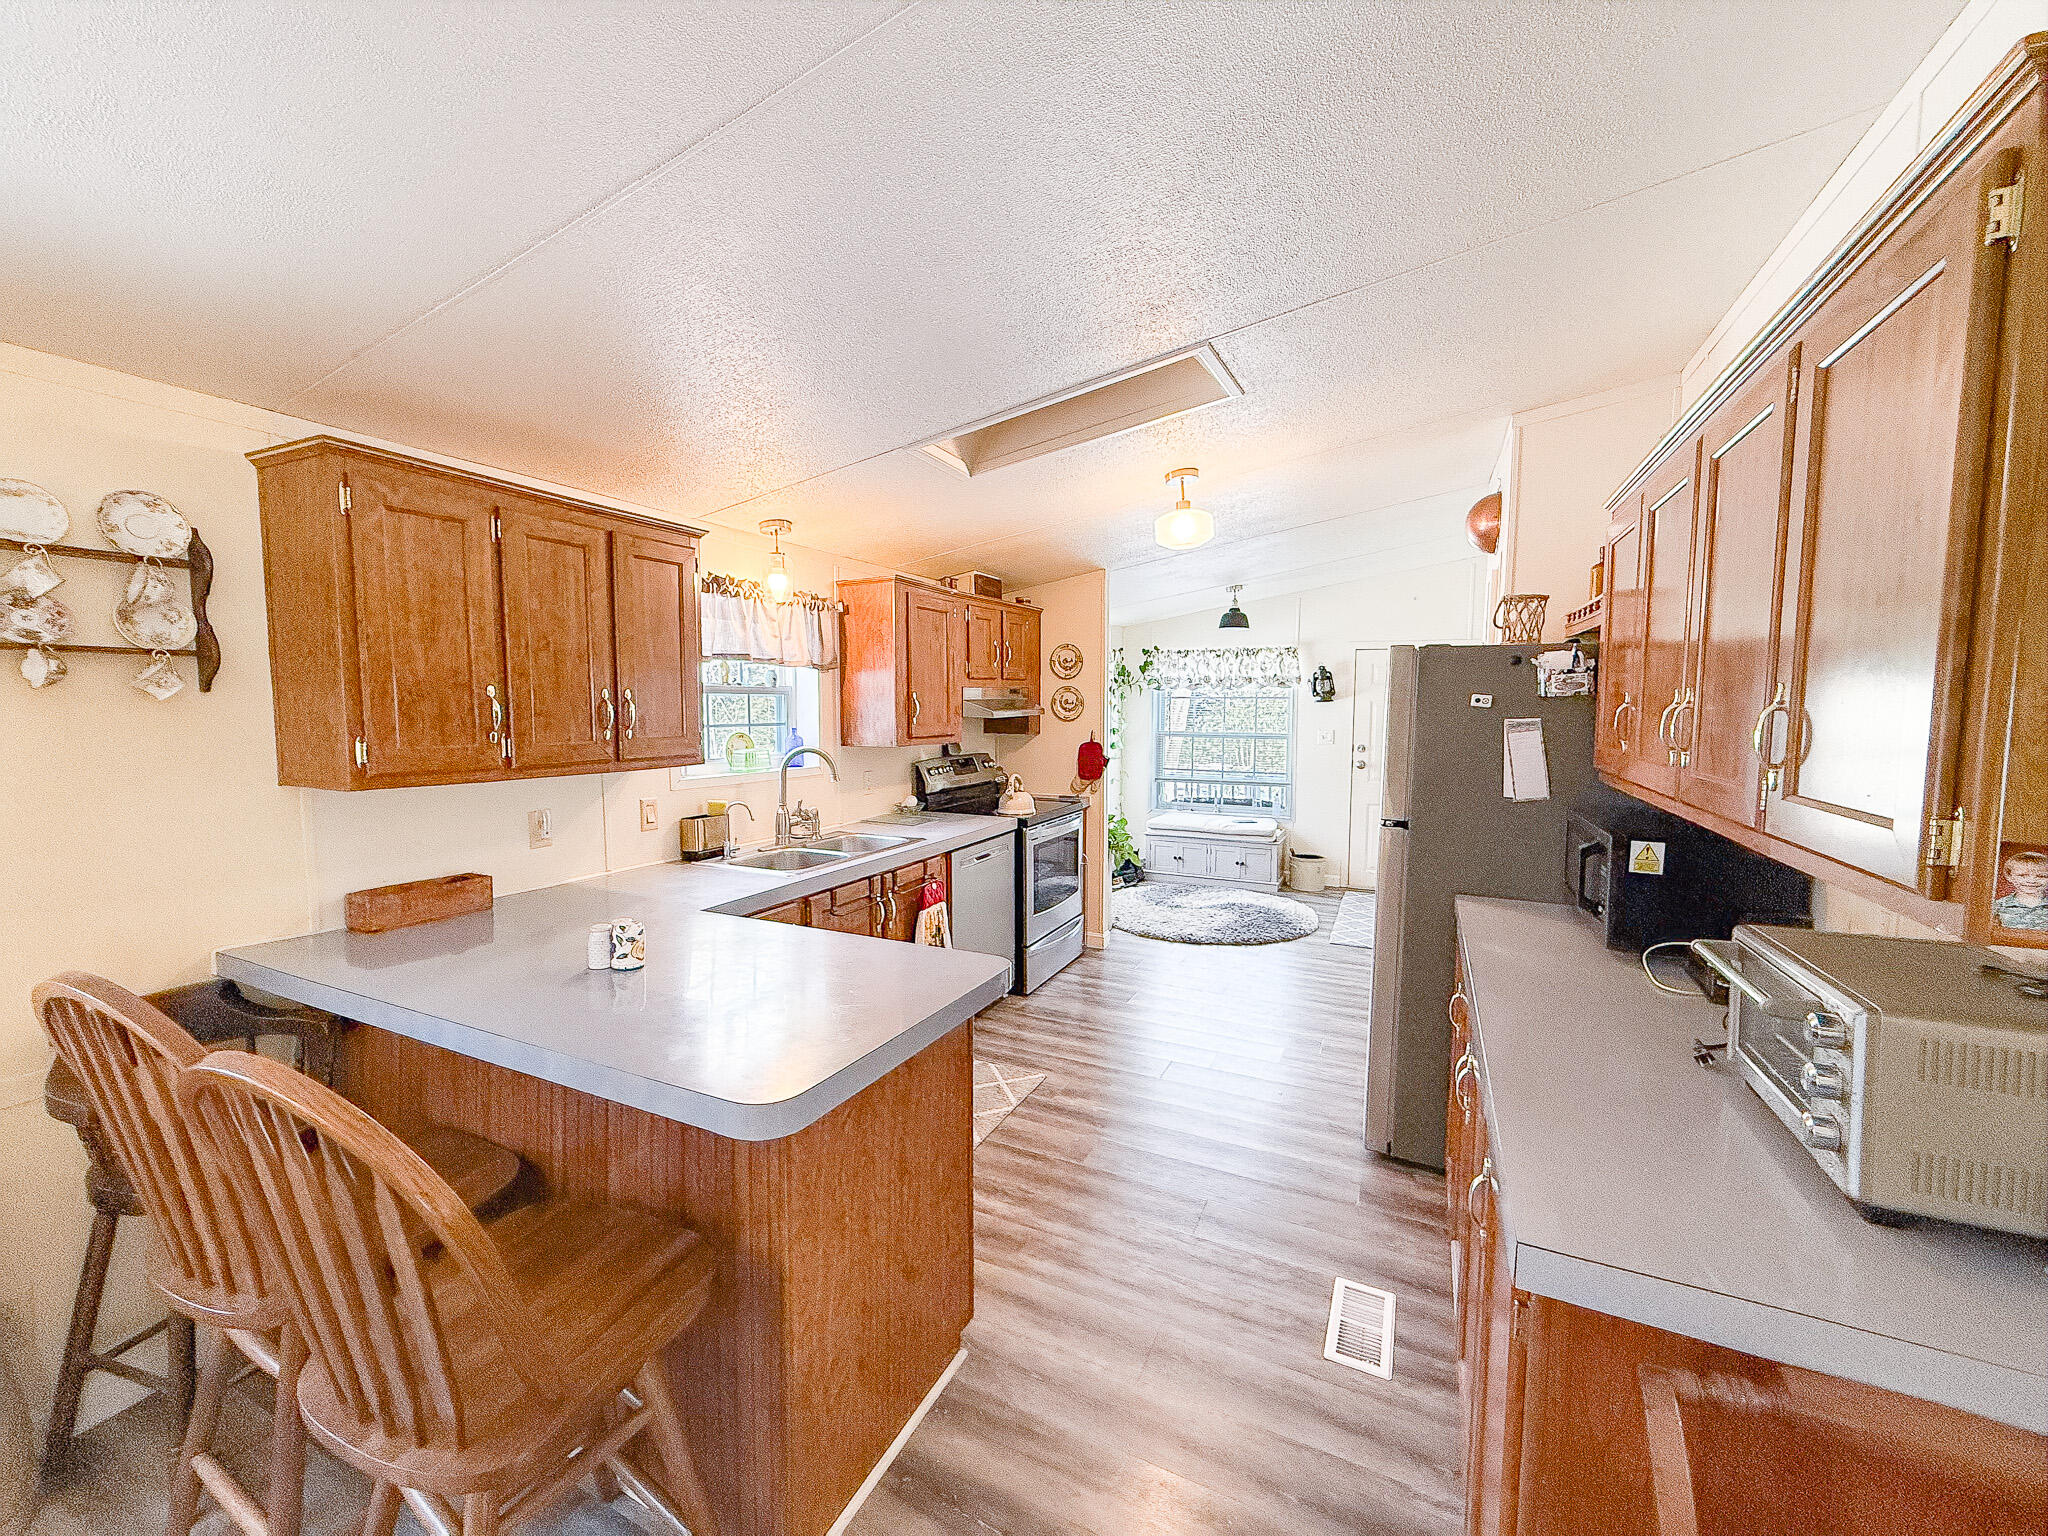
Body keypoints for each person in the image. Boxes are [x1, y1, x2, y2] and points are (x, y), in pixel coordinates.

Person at [1991, 847, 2048, 932]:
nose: (2031, 881)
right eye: (2022, 875)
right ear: (2009, 876)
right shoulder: (1997, 906)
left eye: (2041, 876)